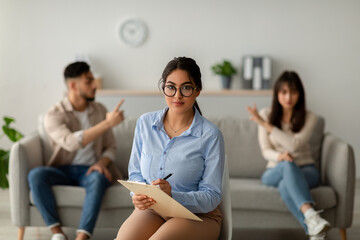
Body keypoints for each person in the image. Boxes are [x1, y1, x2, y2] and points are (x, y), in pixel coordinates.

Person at [116, 57, 225, 240]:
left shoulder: (210, 135)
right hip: (155, 209)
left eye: (186, 88)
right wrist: (137, 194)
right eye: (171, 87)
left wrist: (173, 196)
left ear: (197, 90)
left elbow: (211, 196)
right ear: (163, 88)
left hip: (199, 216)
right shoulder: (145, 123)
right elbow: (135, 174)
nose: (177, 95)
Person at [28, 62, 125, 240]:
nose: (95, 85)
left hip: (90, 170)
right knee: (36, 175)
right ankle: (57, 234)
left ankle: (82, 237)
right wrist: (107, 123)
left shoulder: (100, 110)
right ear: (73, 85)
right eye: (89, 81)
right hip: (63, 169)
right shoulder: (54, 114)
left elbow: (111, 146)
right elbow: (71, 143)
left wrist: (102, 163)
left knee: (98, 177)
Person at [246, 71, 331, 240]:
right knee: (286, 166)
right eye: (284, 92)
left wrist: (266, 126)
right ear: (277, 93)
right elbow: (265, 150)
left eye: (293, 92)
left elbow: (294, 145)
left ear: (300, 94)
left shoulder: (310, 117)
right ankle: (311, 215)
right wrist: (280, 157)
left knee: (286, 185)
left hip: (306, 170)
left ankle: (315, 231)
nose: (288, 97)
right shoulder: (265, 114)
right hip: (275, 169)